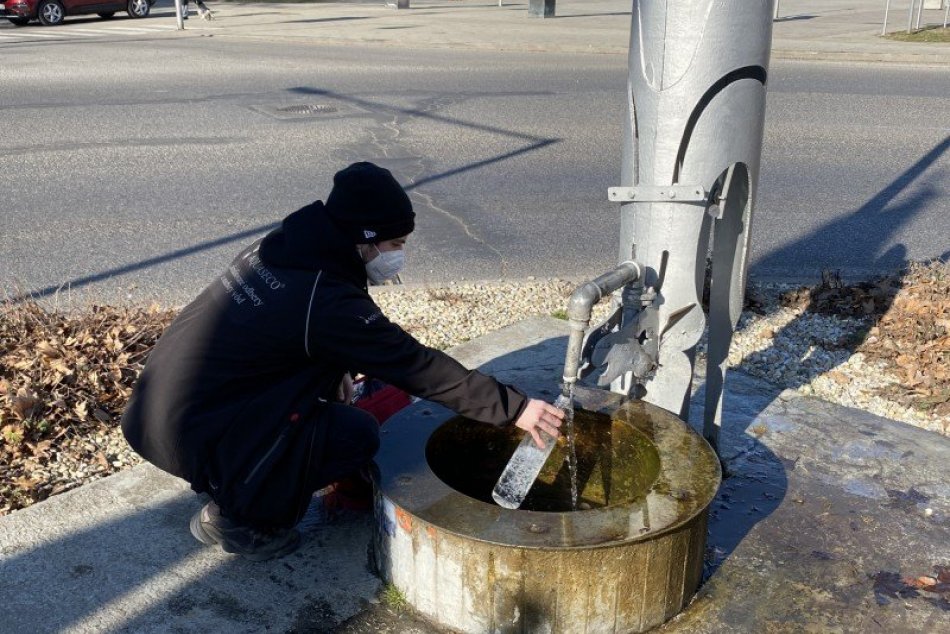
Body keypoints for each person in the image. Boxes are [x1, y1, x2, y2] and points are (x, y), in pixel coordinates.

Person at [121, 162, 565, 561]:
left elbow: (286, 337)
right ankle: (241, 519)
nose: (399, 254)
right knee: (353, 434)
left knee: (340, 394)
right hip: (188, 432)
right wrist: (516, 408)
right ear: (365, 240)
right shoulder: (325, 298)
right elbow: (416, 365)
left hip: (155, 412)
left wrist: (332, 373)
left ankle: (231, 479)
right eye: (395, 242)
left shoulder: (285, 248)